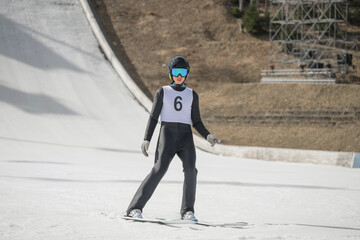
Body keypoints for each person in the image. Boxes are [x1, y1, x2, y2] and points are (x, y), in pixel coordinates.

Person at [125, 56, 220, 221]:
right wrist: (147, 138)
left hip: (185, 137)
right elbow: (154, 117)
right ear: (170, 73)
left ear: (187, 74)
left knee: (191, 170)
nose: (179, 75)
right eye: (176, 72)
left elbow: (196, 121)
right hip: (167, 134)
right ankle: (134, 208)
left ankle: (188, 211)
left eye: (183, 72)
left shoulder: (192, 95)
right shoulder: (162, 92)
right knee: (159, 169)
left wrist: (207, 135)